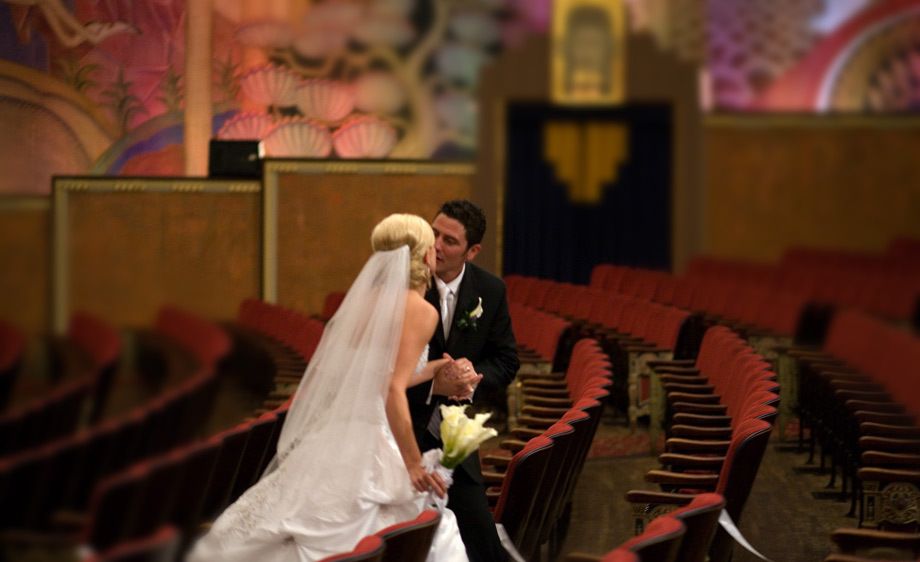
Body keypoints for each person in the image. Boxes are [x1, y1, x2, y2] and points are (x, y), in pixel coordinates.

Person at [187, 214, 468, 562]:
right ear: (425, 255)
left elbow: (376, 376)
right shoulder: (421, 311)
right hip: (368, 439)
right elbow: (392, 391)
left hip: (334, 434)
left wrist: (431, 371)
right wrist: (413, 464)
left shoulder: (364, 305)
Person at [407, 200, 520, 562]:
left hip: (453, 430)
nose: (436, 245)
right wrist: (433, 385)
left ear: (472, 251)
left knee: (479, 534)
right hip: (402, 427)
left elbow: (507, 361)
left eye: (449, 240)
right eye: (433, 233)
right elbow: (383, 374)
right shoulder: (405, 286)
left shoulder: (490, 290)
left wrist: (473, 379)